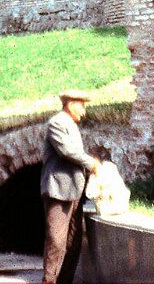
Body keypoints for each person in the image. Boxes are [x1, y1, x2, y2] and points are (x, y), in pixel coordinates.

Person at [40, 90, 101, 284]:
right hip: (58, 192)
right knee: (56, 241)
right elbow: (67, 151)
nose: (84, 112)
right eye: (82, 106)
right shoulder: (57, 123)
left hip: (74, 192)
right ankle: (49, 281)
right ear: (71, 104)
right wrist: (91, 163)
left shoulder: (71, 125)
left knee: (73, 243)